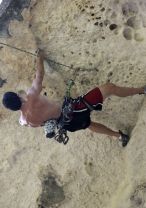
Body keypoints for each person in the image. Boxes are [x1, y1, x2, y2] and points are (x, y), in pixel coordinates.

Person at [2, 51, 146, 146]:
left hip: (67, 124)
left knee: (88, 124)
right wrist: (40, 57)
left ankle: (120, 137)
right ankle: (141, 90)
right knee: (109, 88)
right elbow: (39, 75)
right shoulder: (31, 97)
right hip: (73, 111)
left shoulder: (25, 121)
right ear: (17, 96)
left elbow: (40, 123)